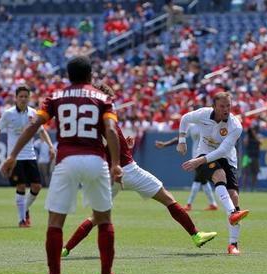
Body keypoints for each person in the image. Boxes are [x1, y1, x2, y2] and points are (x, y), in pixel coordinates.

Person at [1, 56, 125, 274]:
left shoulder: (55, 97)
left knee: (56, 222)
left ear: (68, 76)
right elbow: (110, 130)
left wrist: (12, 155)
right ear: (90, 76)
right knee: (104, 219)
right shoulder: (104, 98)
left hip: (66, 159)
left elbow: (33, 126)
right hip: (96, 159)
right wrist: (116, 163)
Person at [61, 84, 217, 258]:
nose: (112, 104)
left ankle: (66, 249)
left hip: (110, 174)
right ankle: (196, 235)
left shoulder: (92, 122)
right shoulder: (106, 120)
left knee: (96, 216)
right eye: (109, 100)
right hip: (127, 170)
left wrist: (125, 148)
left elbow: (102, 148)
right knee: (168, 199)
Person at [177, 92, 250, 255]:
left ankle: (233, 245)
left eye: (228, 106)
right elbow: (185, 119)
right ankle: (233, 213)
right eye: (222, 106)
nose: (226, 109)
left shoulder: (235, 125)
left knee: (234, 197)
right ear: (214, 107)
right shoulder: (203, 114)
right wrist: (182, 140)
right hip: (204, 153)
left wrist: (198, 162)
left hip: (226, 158)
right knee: (219, 176)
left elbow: (223, 150)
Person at [0, 85, 55, 227]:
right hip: (15, 157)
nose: (23, 99)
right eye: (21, 96)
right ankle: (22, 220)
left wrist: (50, 146)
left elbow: (42, 131)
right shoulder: (8, 113)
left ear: (29, 98)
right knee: (21, 186)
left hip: (30, 155)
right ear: (16, 98)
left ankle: (24, 210)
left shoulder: (34, 113)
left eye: (26, 96)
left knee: (37, 186)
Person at [155, 123, 218, 211]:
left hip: (205, 156)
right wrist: (165, 144)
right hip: (196, 156)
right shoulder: (192, 126)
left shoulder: (210, 123)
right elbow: (181, 139)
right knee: (203, 180)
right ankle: (213, 204)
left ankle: (189, 204)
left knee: (197, 179)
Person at [241, 125, 262, 191]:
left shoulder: (258, 136)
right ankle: (244, 188)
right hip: (247, 157)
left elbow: (260, 142)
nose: (252, 131)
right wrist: (248, 134)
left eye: (253, 130)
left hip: (255, 157)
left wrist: (254, 135)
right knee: (246, 173)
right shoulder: (247, 137)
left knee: (255, 173)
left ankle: (253, 188)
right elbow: (245, 143)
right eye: (251, 130)